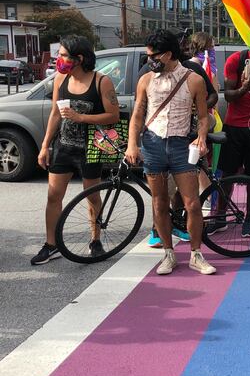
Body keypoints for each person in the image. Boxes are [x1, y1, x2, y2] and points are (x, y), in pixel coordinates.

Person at [125, 29, 216, 276]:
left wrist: (201, 137)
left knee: (192, 203)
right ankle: (169, 253)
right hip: (153, 144)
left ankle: (196, 255)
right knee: (159, 203)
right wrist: (132, 144)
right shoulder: (145, 80)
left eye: (152, 56)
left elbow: (203, 115)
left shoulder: (193, 79)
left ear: (167, 54)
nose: (148, 60)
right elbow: (137, 115)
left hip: (180, 145)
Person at [31, 35, 119, 265]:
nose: (58, 59)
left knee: (92, 196)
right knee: (53, 196)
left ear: (78, 58)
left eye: (62, 55)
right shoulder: (60, 78)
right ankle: (51, 244)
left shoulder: (101, 81)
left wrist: (81, 117)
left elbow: (113, 115)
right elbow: (54, 114)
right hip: (63, 147)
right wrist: (45, 145)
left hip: (91, 147)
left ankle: (95, 240)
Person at [205, 48, 250, 238]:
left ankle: (249, 219)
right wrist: (245, 87)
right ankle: (220, 217)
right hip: (234, 127)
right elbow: (228, 96)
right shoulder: (237, 59)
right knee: (227, 174)